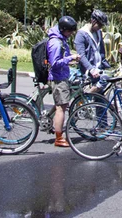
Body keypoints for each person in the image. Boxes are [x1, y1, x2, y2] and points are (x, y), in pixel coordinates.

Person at [47, 16, 81, 147]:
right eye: (70, 31)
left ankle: (53, 123)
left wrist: (70, 59)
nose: (71, 34)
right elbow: (54, 63)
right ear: (63, 30)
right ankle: (59, 138)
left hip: (62, 75)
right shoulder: (56, 43)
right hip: (58, 77)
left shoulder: (61, 40)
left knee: (61, 105)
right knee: (61, 107)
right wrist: (70, 58)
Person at [75, 10, 111, 94]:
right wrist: (91, 69)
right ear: (93, 21)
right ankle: (87, 96)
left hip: (99, 69)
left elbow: (101, 52)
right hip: (89, 71)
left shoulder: (98, 32)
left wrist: (105, 65)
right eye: (100, 24)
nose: (101, 27)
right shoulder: (81, 34)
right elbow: (81, 56)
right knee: (103, 81)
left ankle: (91, 100)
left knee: (101, 102)